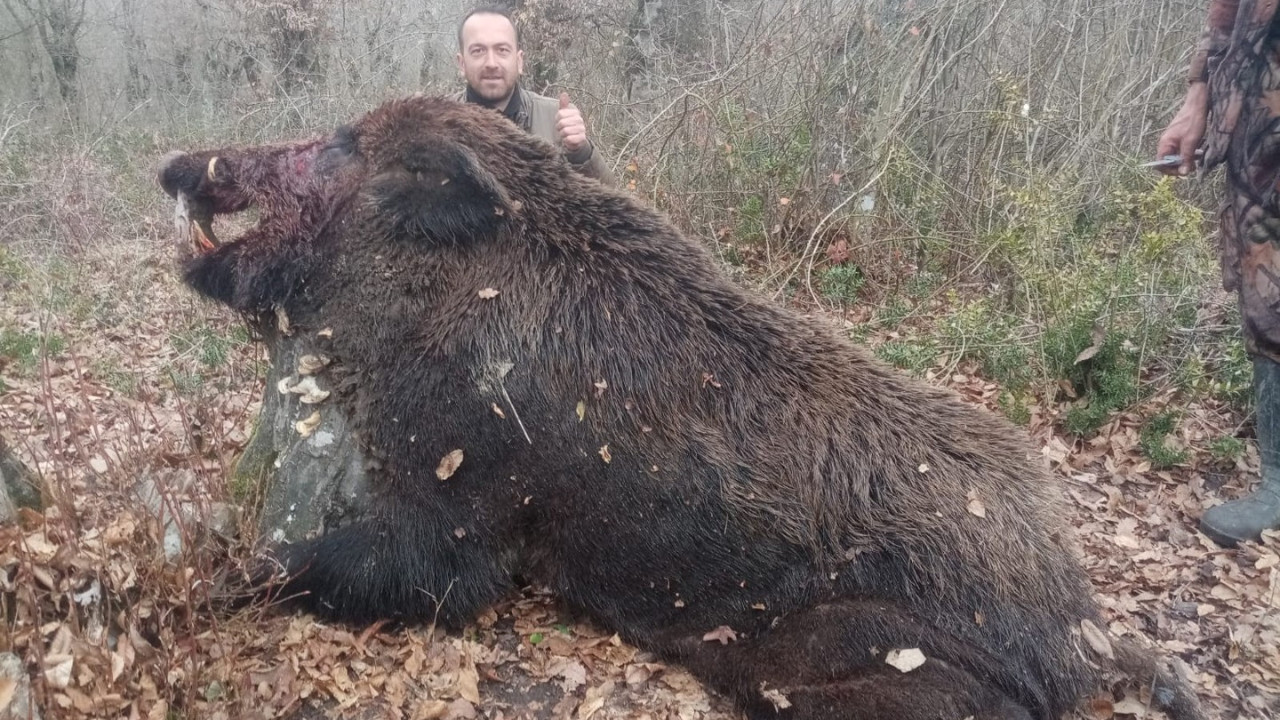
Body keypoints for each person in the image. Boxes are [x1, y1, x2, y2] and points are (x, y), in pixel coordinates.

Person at [1157, 0, 1280, 546]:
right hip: (1261, 108)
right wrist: (1197, 94)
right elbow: (1226, 11)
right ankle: (1277, 485)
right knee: (1266, 281)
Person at [454, 5, 616, 186]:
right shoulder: (435, 125)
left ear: (519, 61)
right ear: (462, 64)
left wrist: (581, 152)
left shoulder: (556, 119)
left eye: (502, 50)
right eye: (478, 51)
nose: (491, 63)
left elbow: (610, 197)